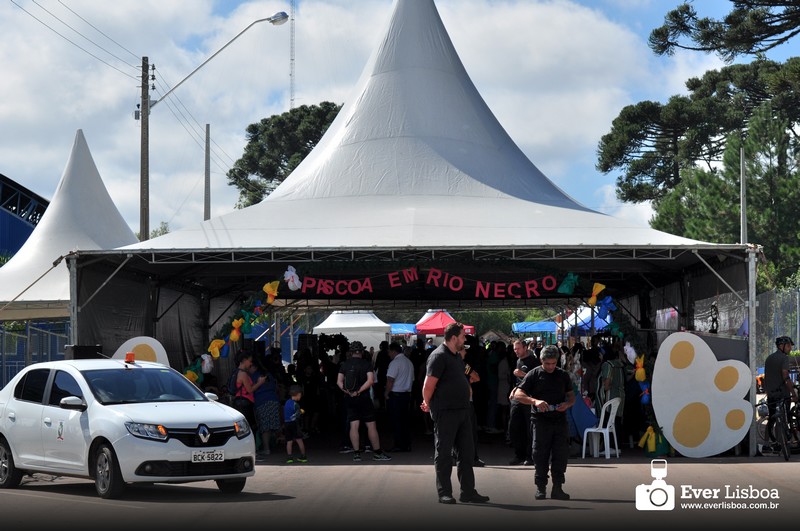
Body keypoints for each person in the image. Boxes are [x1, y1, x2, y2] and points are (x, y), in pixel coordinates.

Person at [421, 322, 490, 505]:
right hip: (445, 412)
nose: (464, 340)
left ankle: (468, 492)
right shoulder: (438, 356)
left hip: (463, 411)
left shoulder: (457, 357)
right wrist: (427, 403)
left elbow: (467, 377)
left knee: (466, 453)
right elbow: (428, 385)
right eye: (462, 336)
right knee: (444, 454)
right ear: (453, 338)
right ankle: (444, 492)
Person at [511, 344, 576, 501]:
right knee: (540, 455)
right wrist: (535, 401)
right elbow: (518, 394)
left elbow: (571, 396)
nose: (550, 367)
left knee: (560, 455)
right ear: (541, 361)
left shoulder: (563, 375)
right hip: (540, 421)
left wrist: (567, 404)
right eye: (547, 363)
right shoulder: (534, 374)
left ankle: (558, 488)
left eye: (553, 363)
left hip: (559, 421)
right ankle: (541, 487)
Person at [337, 340, 392, 462]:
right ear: (362, 351)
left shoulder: (345, 364)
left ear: (351, 352)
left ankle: (356, 453)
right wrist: (359, 391)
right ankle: (377, 452)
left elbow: (339, 382)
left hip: (350, 398)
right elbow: (370, 380)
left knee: (354, 425)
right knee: (371, 425)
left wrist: (348, 392)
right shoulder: (367, 364)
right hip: (364, 398)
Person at [764, 336, 799, 451]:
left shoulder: (769, 358)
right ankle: (782, 443)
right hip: (783, 394)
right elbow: (785, 376)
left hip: (771, 394)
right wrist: (793, 393)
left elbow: (767, 377)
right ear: (781, 346)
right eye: (788, 346)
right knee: (785, 418)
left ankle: (766, 444)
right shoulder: (784, 358)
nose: (790, 348)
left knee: (772, 419)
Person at [508, 338, 539, 466]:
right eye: (514, 349)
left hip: (528, 398)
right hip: (517, 398)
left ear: (525, 348)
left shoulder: (534, 361)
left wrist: (523, 374)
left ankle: (529, 456)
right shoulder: (518, 361)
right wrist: (514, 390)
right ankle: (518, 455)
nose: (516, 351)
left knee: (529, 428)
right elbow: (519, 382)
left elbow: (536, 379)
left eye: (518, 349)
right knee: (515, 427)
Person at [385, 341, 415, 452]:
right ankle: (406, 443)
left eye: (389, 351)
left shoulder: (395, 363)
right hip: (406, 394)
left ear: (393, 351)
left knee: (396, 421)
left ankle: (399, 444)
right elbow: (412, 379)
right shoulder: (409, 362)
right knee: (405, 420)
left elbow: (390, 380)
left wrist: (386, 393)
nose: (388, 354)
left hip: (396, 395)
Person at [251, 359, 281, 459]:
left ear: (254, 367)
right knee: (272, 425)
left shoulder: (254, 376)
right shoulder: (268, 374)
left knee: (265, 427)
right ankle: (271, 445)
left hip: (262, 401)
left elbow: (250, 389)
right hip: (274, 400)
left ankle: (266, 448)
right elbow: (276, 387)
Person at [232, 350, 266, 431]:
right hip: (244, 404)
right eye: (250, 361)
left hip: (240, 403)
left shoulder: (237, 372)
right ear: (244, 360)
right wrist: (260, 382)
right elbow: (250, 390)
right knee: (248, 429)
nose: (251, 364)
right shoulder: (243, 374)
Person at [284, 385, 307, 463]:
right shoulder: (296, 404)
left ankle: (289, 457)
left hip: (287, 423)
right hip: (294, 424)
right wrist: (301, 411)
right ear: (298, 394)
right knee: (299, 440)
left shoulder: (287, 402)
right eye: (300, 395)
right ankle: (303, 456)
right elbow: (297, 414)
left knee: (289, 441)